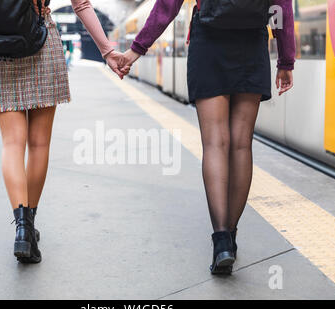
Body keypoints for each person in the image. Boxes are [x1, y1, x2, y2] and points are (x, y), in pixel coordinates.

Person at [120, 0, 295, 274]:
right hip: (252, 41)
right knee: (240, 145)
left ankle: (221, 239)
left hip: (209, 40)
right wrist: (286, 59)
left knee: (215, 143)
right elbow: (281, 5)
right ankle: (231, 236)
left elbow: (168, 4)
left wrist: (136, 50)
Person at [0, 0, 129, 264]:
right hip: (41, 40)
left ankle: (22, 228)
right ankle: (28, 228)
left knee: (12, 144)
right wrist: (106, 51)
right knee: (38, 145)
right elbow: (81, 5)